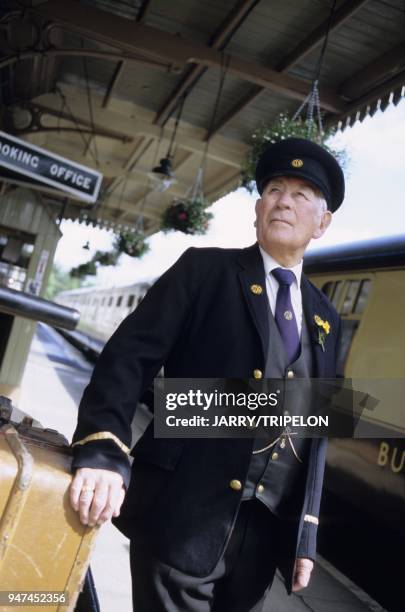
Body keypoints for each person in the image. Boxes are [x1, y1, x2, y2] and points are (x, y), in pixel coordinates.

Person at [69, 137, 345, 612]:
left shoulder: (326, 316)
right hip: (180, 516)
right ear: (258, 209)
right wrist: (102, 449)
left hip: (259, 542)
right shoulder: (203, 270)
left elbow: (314, 427)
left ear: (323, 223)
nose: (283, 200)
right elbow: (127, 359)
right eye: (275, 189)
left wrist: (306, 532)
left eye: (301, 195)